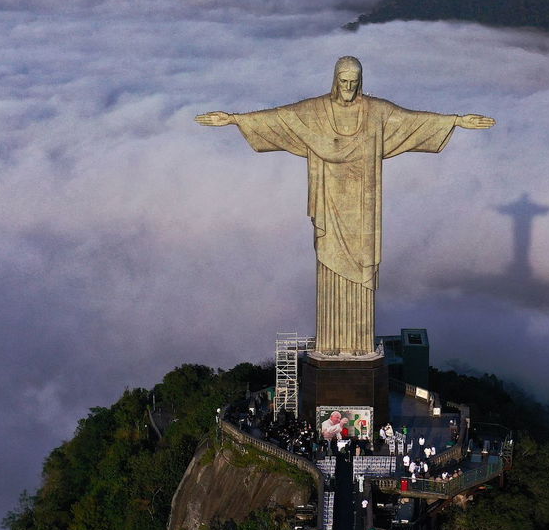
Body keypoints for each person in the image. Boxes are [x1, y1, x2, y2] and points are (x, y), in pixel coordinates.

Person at [196, 57, 494, 355]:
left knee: (362, 268)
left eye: (354, 82)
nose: (349, 87)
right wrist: (235, 118)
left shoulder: (376, 112)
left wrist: (455, 120)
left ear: (360, 81)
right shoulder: (316, 111)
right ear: (335, 80)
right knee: (329, 264)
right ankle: (331, 344)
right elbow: (280, 118)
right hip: (329, 200)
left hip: (362, 206)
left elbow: (411, 121)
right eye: (344, 81)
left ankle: (359, 347)